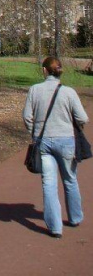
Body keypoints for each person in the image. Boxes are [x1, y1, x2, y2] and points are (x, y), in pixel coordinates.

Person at [23, 56, 89, 238]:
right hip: (66, 140)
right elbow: (83, 118)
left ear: (44, 71)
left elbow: (27, 116)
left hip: (43, 141)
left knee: (49, 184)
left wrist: (34, 132)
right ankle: (75, 218)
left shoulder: (35, 90)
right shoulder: (69, 92)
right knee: (70, 180)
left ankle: (55, 227)